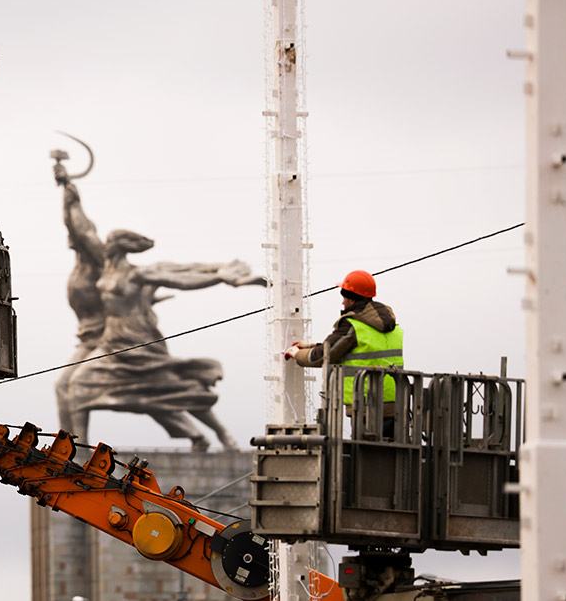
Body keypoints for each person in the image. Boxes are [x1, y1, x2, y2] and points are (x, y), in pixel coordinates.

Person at [52, 160, 266, 450]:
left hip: (137, 342)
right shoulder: (105, 269)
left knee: (172, 388)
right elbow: (80, 228)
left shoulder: (135, 272)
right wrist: (68, 191)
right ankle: (78, 450)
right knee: (80, 386)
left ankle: (221, 433)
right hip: (111, 342)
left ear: (114, 246)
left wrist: (222, 276)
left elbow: (180, 276)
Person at [284, 270, 403, 438]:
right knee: (391, 451)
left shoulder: (353, 325)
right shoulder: (391, 326)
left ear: (352, 299)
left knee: (366, 451)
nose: (342, 302)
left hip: (366, 405)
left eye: (344, 297)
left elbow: (324, 355)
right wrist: (312, 345)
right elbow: (356, 349)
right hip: (396, 403)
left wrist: (296, 354)